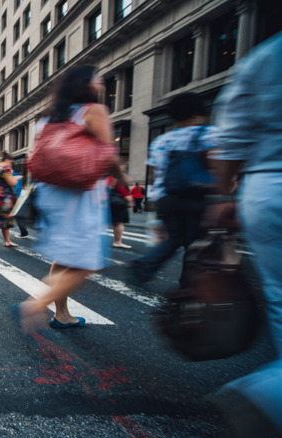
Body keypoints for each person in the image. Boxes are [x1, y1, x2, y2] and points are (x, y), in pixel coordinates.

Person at [205, 31, 282, 436]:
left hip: (265, 186)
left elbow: (230, 137)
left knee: (280, 299)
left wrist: (224, 194)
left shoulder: (264, 56)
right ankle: (272, 394)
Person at [9, 65, 127, 330]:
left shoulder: (48, 119)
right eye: (97, 79)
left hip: (52, 194)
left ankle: (61, 314)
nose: (101, 84)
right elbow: (108, 154)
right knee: (90, 261)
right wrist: (124, 178)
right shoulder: (94, 111)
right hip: (80, 194)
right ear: (85, 84)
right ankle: (35, 305)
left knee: (62, 258)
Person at [128, 93, 220, 285]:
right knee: (195, 244)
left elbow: (156, 177)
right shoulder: (210, 134)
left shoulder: (161, 141)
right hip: (197, 198)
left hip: (168, 199)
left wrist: (155, 207)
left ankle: (145, 264)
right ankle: (188, 285)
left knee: (172, 239)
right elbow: (217, 167)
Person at [108, 174, 132, 249]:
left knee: (113, 222)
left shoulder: (107, 176)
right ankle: (117, 242)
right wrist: (130, 201)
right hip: (118, 203)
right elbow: (123, 190)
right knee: (119, 223)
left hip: (109, 201)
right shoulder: (117, 176)